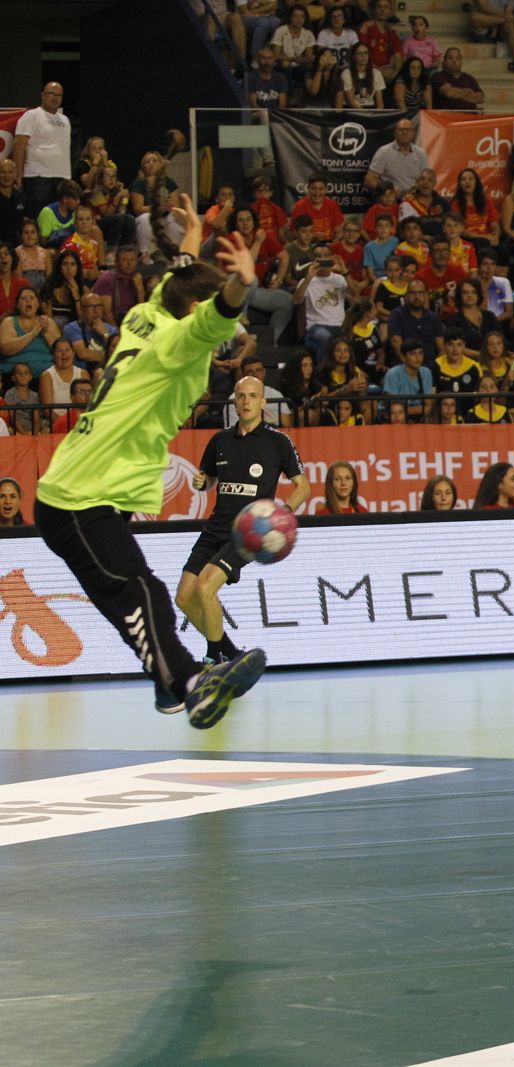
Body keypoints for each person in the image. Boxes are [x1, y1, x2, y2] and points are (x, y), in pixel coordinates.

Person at [29, 196, 266, 727]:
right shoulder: (179, 343)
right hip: (78, 497)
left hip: (80, 487)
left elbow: (179, 282)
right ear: (193, 314)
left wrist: (193, 235)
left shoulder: (143, 315)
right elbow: (218, 310)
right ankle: (191, 685)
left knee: (129, 592)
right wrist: (242, 282)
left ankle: (169, 682)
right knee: (138, 588)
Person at [178, 376, 310, 665]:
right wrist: (203, 482)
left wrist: (281, 514)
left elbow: (304, 487)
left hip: (248, 534)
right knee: (184, 598)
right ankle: (232, 652)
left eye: (252, 396)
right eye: (241, 396)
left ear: (263, 402)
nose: (246, 401)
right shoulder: (220, 440)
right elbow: (210, 478)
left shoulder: (278, 442)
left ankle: (215, 657)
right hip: (214, 528)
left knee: (205, 588)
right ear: (235, 401)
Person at [14, 83, 70, 219]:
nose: (55, 98)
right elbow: (19, 145)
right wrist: (18, 177)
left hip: (61, 178)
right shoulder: (32, 115)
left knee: (58, 221)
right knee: (37, 219)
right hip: (38, 177)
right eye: (51, 94)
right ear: (43, 95)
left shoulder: (65, 120)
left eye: (59, 95)